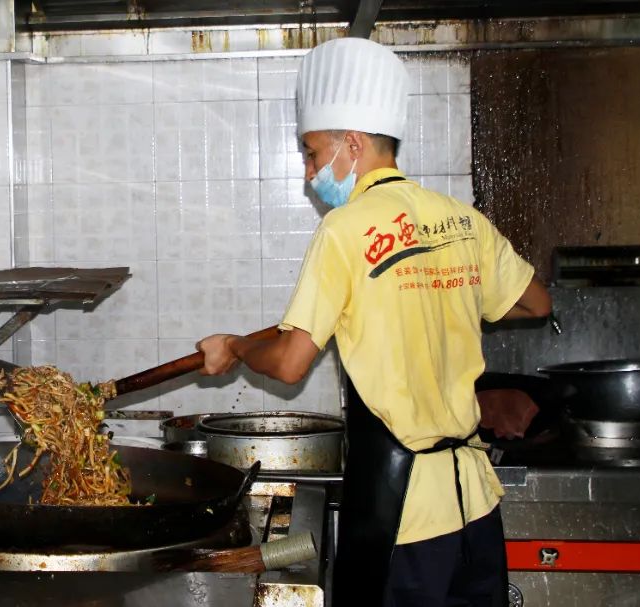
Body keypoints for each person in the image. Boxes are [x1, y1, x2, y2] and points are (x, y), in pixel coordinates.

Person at [196, 38, 551, 607]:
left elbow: (289, 363)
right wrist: (452, 294)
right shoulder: (460, 219)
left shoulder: (345, 229)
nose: (310, 173)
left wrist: (236, 346)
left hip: (405, 513)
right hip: (476, 508)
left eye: (312, 153)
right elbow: (536, 303)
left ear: (353, 144)